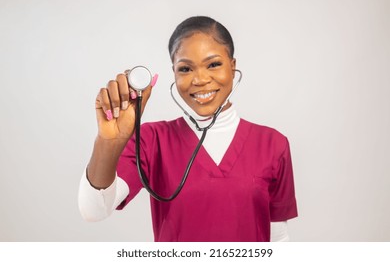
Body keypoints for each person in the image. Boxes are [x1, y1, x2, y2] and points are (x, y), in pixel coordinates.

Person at [78, 16, 298, 242]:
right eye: (185, 68)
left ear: (233, 66)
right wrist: (109, 141)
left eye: (213, 64)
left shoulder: (273, 144)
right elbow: (94, 211)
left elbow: (277, 237)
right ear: (174, 72)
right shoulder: (150, 140)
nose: (200, 79)